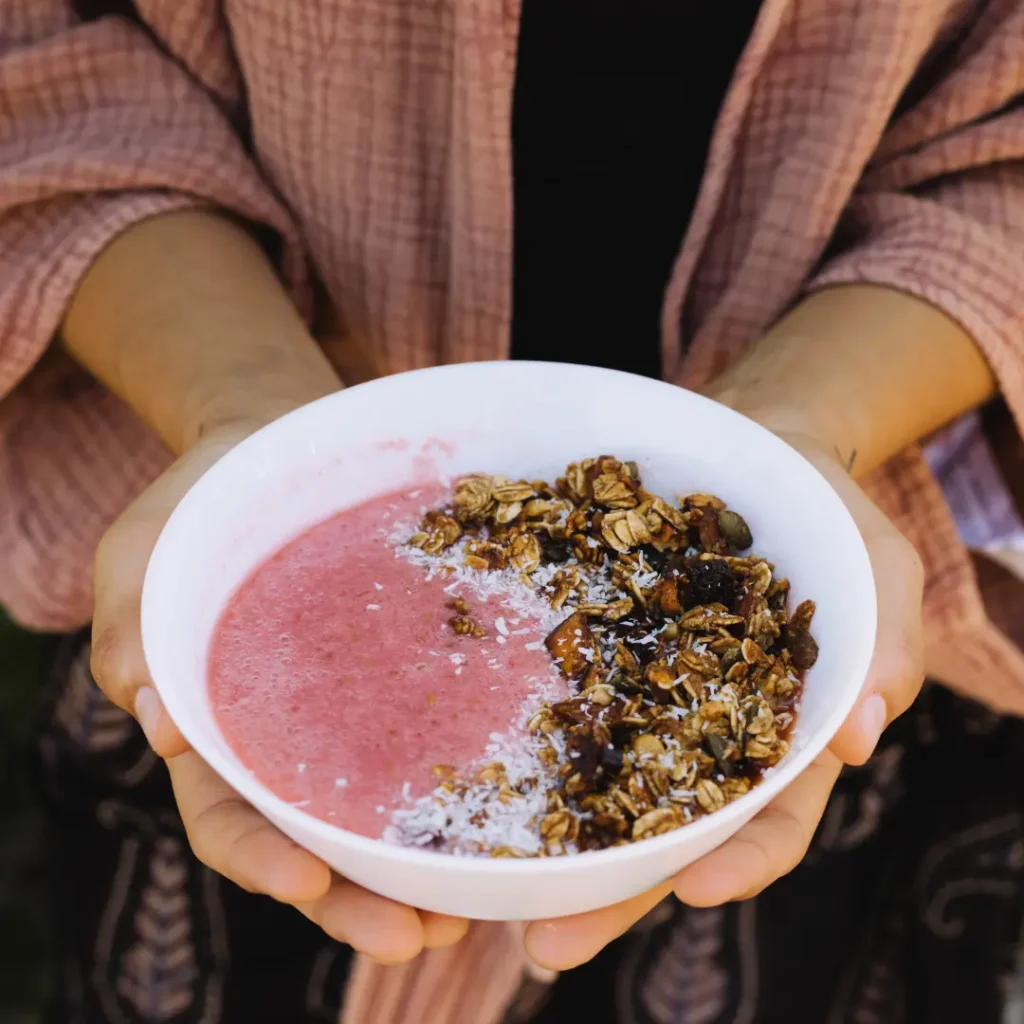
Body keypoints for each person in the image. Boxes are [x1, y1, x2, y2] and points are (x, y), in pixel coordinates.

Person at [1, 1, 1022, 1021]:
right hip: (202, 456)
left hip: (880, 746)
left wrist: (802, 429)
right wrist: (242, 413)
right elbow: (44, 66)